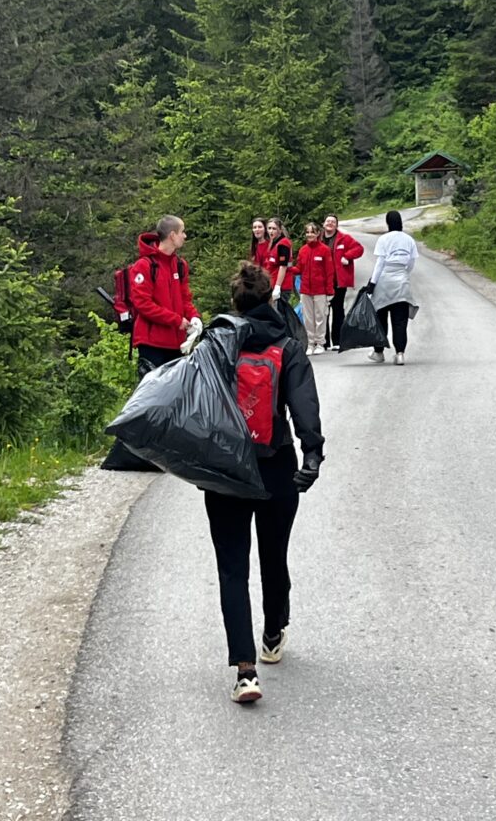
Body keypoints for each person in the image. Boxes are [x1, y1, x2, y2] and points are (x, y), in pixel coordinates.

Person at [204, 261, 324, 703]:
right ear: (270, 298)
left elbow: (194, 404)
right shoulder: (288, 347)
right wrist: (312, 454)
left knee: (232, 567)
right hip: (276, 465)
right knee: (274, 555)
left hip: (227, 470)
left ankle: (245, 670)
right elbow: (304, 405)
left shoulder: (217, 343)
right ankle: (273, 633)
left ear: (234, 303)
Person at [129, 215, 202, 376]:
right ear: (172, 235)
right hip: (152, 344)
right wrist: (176, 320)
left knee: (178, 390)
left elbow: (185, 298)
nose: (185, 236)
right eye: (182, 232)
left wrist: (194, 317)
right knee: (153, 391)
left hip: (177, 344)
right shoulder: (144, 266)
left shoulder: (180, 265)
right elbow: (143, 304)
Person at [366, 210, 419, 366]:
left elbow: (380, 263)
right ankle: (400, 353)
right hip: (401, 281)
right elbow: (411, 263)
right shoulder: (409, 240)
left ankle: (379, 352)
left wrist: (372, 283)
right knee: (400, 320)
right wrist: (403, 274)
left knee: (381, 318)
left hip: (384, 280)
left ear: (388, 223)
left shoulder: (384, 239)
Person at [290, 222, 335, 355]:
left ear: (318, 234)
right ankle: (310, 343)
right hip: (305, 290)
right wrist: (288, 268)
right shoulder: (303, 250)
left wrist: (330, 291)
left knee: (320, 317)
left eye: (312, 232)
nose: (309, 235)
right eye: (307, 232)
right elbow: (299, 269)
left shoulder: (325, 250)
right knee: (308, 318)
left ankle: (320, 343)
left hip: (320, 290)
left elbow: (329, 272)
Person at [321, 213, 364, 351]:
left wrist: (347, 256)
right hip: (321, 281)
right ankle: (324, 342)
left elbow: (359, 249)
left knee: (338, 309)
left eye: (333, 222)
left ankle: (338, 341)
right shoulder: (318, 238)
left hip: (338, 281)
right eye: (328, 221)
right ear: (323, 224)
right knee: (323, 311)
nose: (330, 223)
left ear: (336, 225)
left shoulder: (344, 238)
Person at [264, 217, 294, 303]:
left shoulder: (283, 244)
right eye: (269, 228)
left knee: (279, 310)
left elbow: (283, 266)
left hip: (282, 286)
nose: (271, 231)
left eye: (274, 229)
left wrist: (277, 287)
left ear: (280, 230)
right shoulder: (273, 242)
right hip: (272, 283)